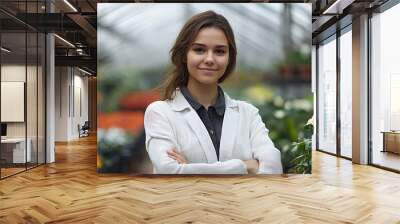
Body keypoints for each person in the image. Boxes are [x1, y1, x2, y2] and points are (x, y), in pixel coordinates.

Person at [144, 10, 283, 174]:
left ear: (229, 57)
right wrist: (245, 166)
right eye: (199, 50)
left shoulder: (248, 114)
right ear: (184, 55)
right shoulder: (160, 112)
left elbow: (274, 167)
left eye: (220, 51)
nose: (210, 59)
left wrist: (189, 169)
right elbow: (169, 171)